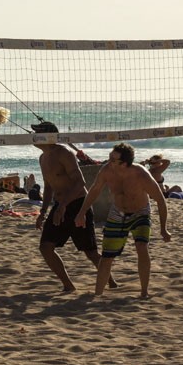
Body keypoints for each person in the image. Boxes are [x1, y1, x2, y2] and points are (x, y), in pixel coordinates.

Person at [75, 142, 171, 298]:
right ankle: (97, 295)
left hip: (140, 212)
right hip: (117, 213)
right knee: (107, 257)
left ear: (124, 163)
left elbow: (160, 200)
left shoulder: (140, 174)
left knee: (141, 246)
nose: (109, 161)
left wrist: (163, 229)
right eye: (109, 157)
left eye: (113, 159)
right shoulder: (106, 170)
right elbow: (95, 190)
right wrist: (82, 212)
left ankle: (144, 292)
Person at [32, 121, 116, 294]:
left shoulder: (64, 153)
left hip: (78, 205)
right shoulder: (43, 158)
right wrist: (43, 212)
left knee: (90, 252)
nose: (32, 136)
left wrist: (63, 205)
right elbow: (48, 187)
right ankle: (68, 285)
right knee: (45, 247)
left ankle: (111, 281)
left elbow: (80, 183)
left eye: (37, 132)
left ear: (48, 136)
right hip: (60, 205)